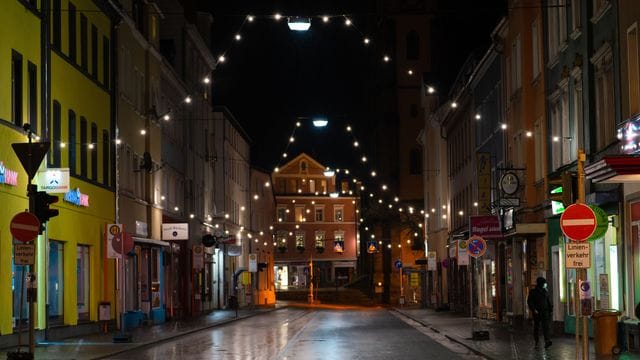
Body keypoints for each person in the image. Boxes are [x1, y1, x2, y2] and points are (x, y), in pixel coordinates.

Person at [527, 277, 553, 348]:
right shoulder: (533, 291)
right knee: (537, 327)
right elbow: (530, 301)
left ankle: (547, 341)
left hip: (545, 312)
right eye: (544, 283)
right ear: (540, 283)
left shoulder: (545, 291)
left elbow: (547, 301)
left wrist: (550, 309)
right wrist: (533, 309)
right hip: (537, 312)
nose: (545, 284)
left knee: (546, 327)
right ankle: (537, 341)